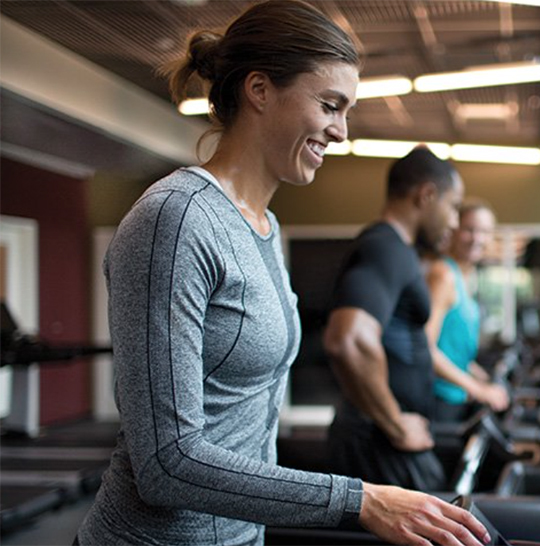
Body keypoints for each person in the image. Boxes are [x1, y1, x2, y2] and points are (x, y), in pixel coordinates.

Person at [77, 3, 489, 545]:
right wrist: (360, 499)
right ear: (260, 90)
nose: (341, 132)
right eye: (329, 105)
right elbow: (168, 462)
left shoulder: (264, 226)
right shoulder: (175, 220)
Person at [324, 146, 463, 492]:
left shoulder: (395, 250)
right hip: (380, 443)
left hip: (384, 439)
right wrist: (396, 424)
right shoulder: (386, 248)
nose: (455, 221)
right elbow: (349, 340)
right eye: (454, 206)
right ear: (427, 195)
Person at [424, 199, 510, 422]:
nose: (477, 238)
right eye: (469, 230)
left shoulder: (464, 277)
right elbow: (426, 347)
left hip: (454, 397)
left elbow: (451, 347)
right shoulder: (443, 274)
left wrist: (481, 377)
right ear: (453, 230)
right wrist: (478, 389)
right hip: (436, 400)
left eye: (484, 232)